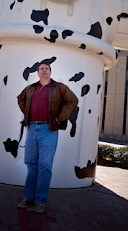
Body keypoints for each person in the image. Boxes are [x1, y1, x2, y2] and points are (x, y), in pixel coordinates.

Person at [17, 61, 78, 213]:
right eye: (41, 69)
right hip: (31, 128)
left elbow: (73, 101)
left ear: (50, 72)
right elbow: (20, 99)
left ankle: (40, 201)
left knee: (45, 165)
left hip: (49, 130)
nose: (44, 71)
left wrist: (58, 119)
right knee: (31, 164)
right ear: (37, 72)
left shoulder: (59, 87)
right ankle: (28, 198)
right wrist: (27, 114)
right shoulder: (31, 88)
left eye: (47, 69)